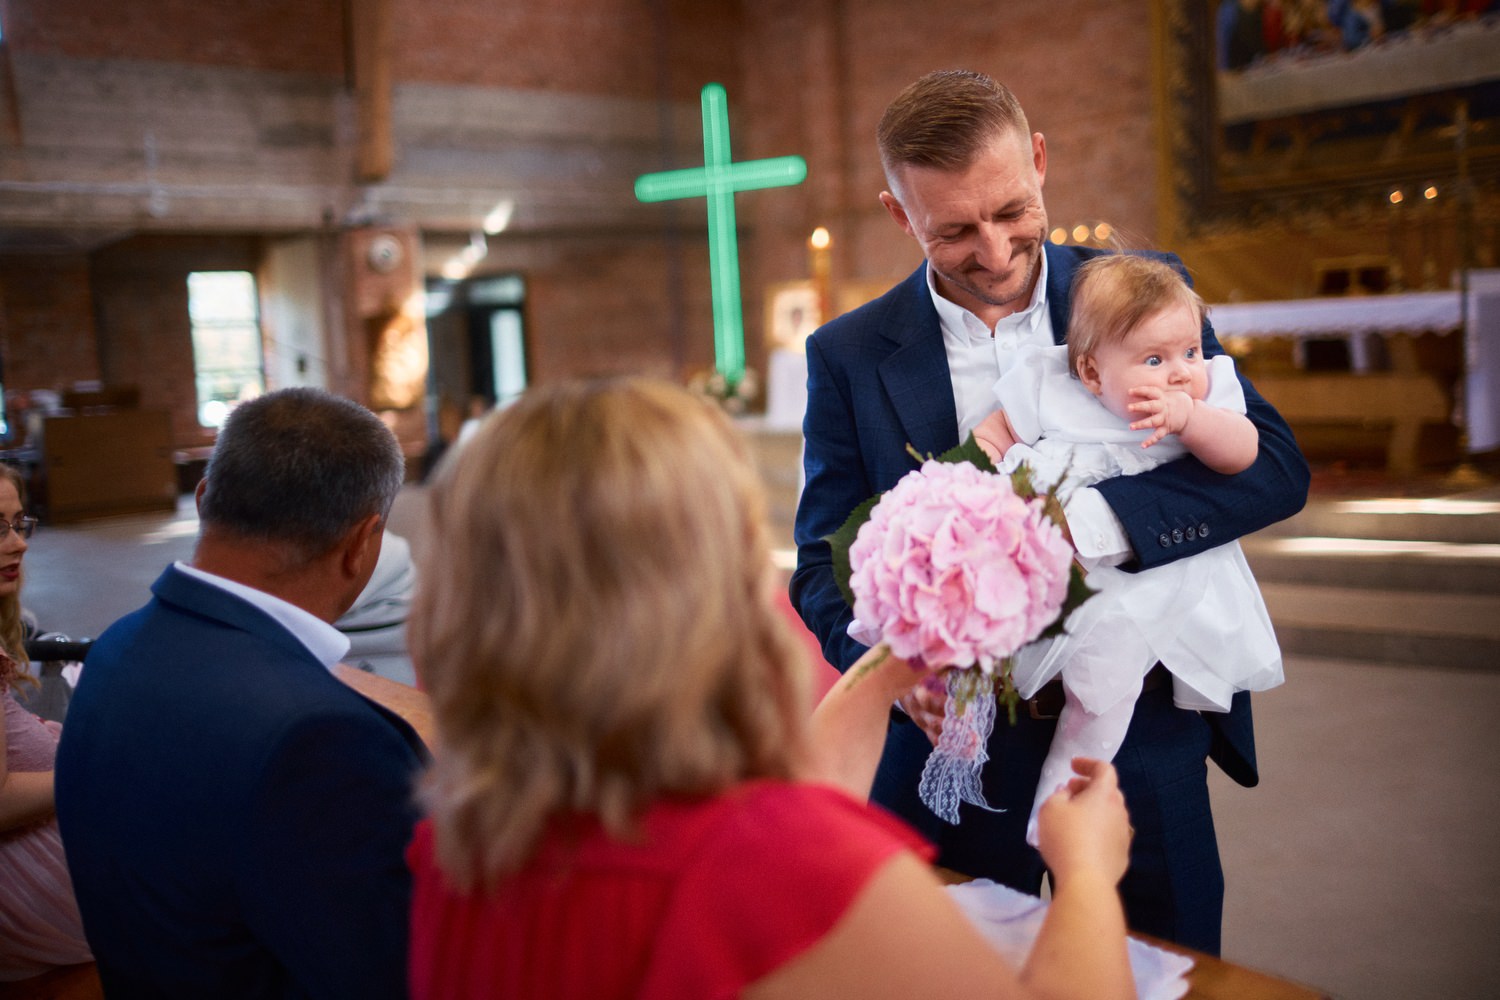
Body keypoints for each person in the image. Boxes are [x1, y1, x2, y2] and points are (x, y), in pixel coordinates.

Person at [790, 69, 1310, 955]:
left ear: (1038, 160)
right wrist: (887, 671)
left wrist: (1093, 526)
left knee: (1166, 967)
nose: (995, 253)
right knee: (957, 971)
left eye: (1011, 211)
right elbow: (818, 563)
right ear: (899, 214)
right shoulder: (846, 354)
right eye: (954, 230)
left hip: (1139, 723)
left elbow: (1274, 470)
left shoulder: (1141, 289)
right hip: (956, 746)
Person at [405, 377, 1137, 1000]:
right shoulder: (774, 866)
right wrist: (1085, 875)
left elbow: (790, 810)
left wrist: (902, 656)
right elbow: (781, 854)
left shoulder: (461, 846)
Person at [55, 388, 429, 999]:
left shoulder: (117, 647)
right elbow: (395, 974)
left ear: (204, 497)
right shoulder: (322, 736)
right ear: (365, 541)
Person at [970, 253, 1284, 845]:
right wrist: (986, 476)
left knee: (1100, 691)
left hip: (1150, 583)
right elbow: (993, 434)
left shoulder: (1206, 394)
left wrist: (1191, 420)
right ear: (1091, 373)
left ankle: (1059, 804)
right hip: (1044, 564)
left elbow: (1247, 454)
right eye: (1155, 360)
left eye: (1189, 352)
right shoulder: (1051, 383)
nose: (1181, 373)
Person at [0, 464, 93, 980]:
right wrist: (94, 767)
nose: (18, 544)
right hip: (27, 898)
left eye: (19, 524)